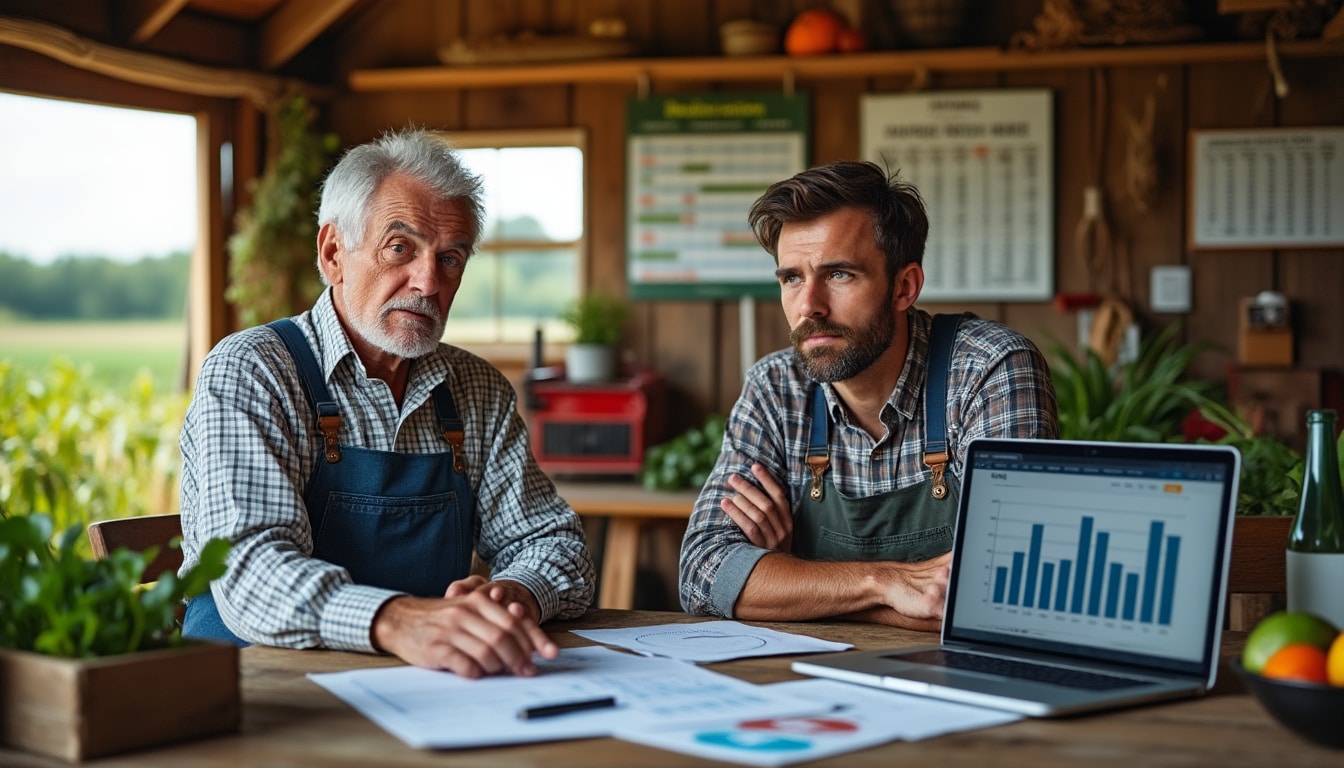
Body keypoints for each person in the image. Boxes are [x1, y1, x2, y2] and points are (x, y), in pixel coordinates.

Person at [177, 128, 595, 676]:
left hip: (419, 687)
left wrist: (515, 595)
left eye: (450, 259)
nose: (428, 281)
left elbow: (556, 543)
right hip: (253, 693)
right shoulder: (254, 371)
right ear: (333, 254)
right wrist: (399, 621)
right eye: (401, 248)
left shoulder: (477, 391)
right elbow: (251, 572)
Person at [679, 160, 1058, 630]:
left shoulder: (989, 369)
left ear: (904, 287)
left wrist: (793, 583)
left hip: (970, 683)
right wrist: (882, 583)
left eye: (838, 275)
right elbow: (703, 574)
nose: (808, 306)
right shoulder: (775, 389)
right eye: (792, 278)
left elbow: (1012, 582)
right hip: (812, 682)